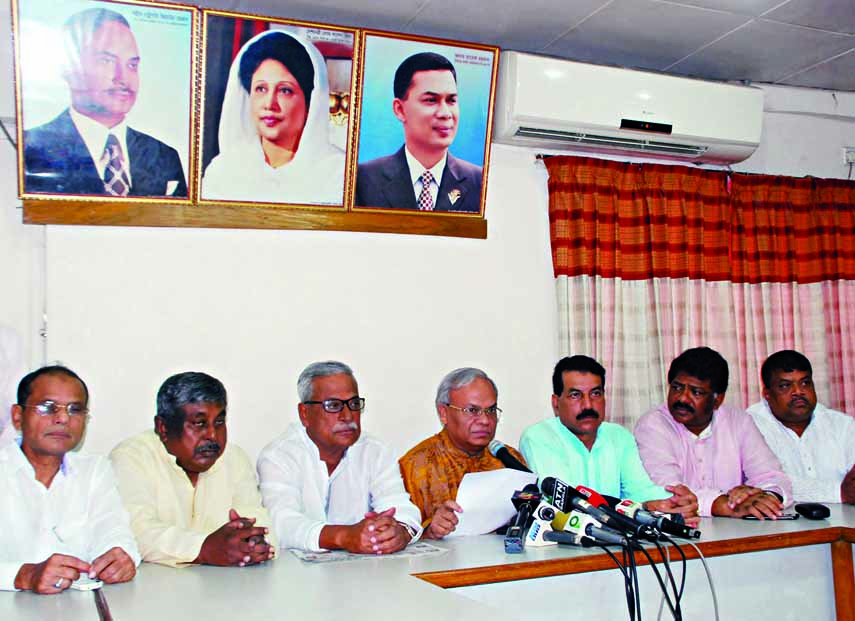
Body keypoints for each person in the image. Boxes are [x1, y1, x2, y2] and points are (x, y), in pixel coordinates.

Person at [110, 372, 275, 567]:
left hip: (228, 589)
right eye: (199, 423)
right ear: (163, 428)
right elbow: (136, 533)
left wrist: (253, 544)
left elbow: (262, 525)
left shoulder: (234, 458)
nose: (212, 436)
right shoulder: (132, 457)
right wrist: (204, 548)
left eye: (219, 422)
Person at [257, 361, 422, 553]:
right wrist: (344, 536)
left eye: (353, 404)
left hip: (365, 574)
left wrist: (399, 531)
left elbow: (402, 508)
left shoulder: (376, 451)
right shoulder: (279, 456)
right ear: (305, 413)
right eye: (333, 405)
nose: (347, 416)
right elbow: (281, 524)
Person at [1, 366, 139, 593]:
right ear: (18, 416)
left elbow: (114, 531)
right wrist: (22, 575)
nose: (63, 418)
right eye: (48, 407)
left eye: (75, 409)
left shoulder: (94, 471)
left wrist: (120, 557)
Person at [24, 8, 187, 197]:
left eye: (132, 65)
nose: (123, 77)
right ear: (69, 67)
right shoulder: (32, 149)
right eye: (106, 61)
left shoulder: (164, 155)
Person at [520, 355, 699, 523]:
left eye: (595, 393)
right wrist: (643, 507)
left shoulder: (619, 437)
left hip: (617, 544)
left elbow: (640, 491)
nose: (588, 404)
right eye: (575, 395)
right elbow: (569, 504)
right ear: (556, 403)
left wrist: (676, 502)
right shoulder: (539, 437)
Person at [635, 347, 792, 519]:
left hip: (738, 532)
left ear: (718, 399)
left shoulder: (739, 421)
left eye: (696, 392)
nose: (682, 398)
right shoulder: (653, 424)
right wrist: (727, 505)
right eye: (677, 388)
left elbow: (772, 476)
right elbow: (666, 490)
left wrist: (764, 497)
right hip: (683, 533)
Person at [202, 30, 345, 205]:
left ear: (311, 102)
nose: (269, 104)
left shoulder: (339, 173)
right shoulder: (222, 170)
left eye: (285, 90)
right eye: (261, 89)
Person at [399, 367, 526, 539]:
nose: (485, 420)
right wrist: (430, 532)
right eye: (472, 410)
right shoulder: (415, 466)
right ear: (443, 413)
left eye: (491, 410)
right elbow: (398, 541)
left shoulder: (509, 459)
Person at [355, 52, 483, 212]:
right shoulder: (363, 179)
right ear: (399, 109)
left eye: (451, 100)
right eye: (431, 100)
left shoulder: (479, 182)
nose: (445, 113)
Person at [747, 350, 855, 504]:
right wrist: (838, 493)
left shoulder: (842, 425)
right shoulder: (750, 426)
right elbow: (769, 483)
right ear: (767, 394)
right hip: (779, 526)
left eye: (805, 383)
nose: (798, 392)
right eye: (785, 386)